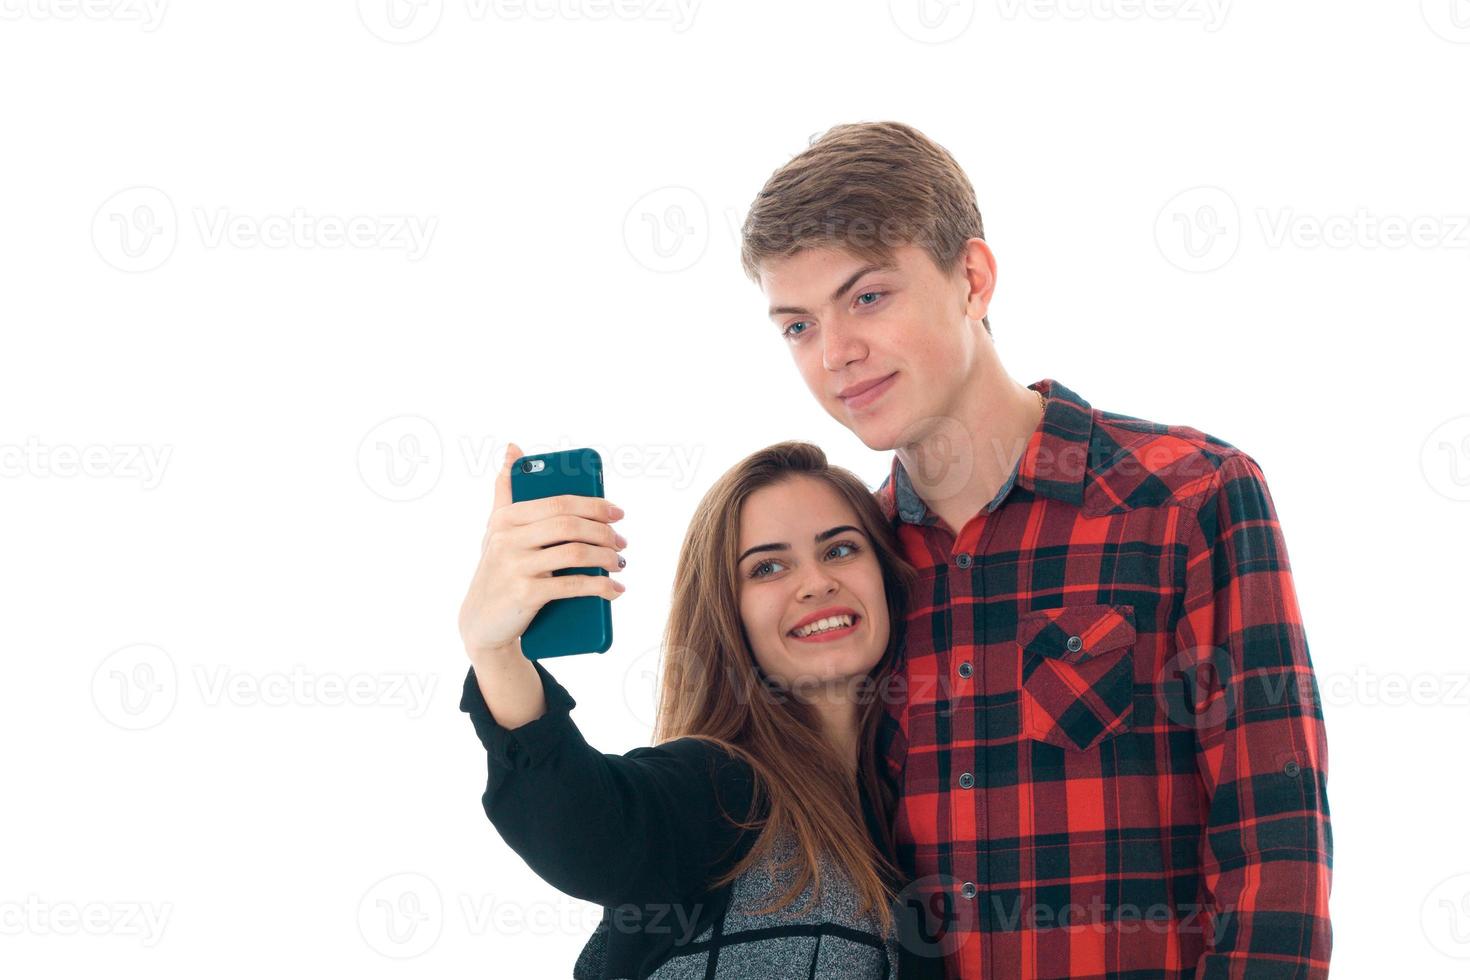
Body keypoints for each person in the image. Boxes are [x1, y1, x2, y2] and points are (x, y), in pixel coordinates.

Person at [734, 121, 1334, 978]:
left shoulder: (1187, 498)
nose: (836, 355)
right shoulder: (846, 577)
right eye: (797, 325)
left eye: (868, 298)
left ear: (972, 279)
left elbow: (1277, 848)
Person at [458, 440, 947, 979]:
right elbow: (581, 828)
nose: (816, 582)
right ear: (725, 612)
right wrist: (495, 652)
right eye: (767, 568)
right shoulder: (719, 785)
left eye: (839, 550)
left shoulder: (910, 810)